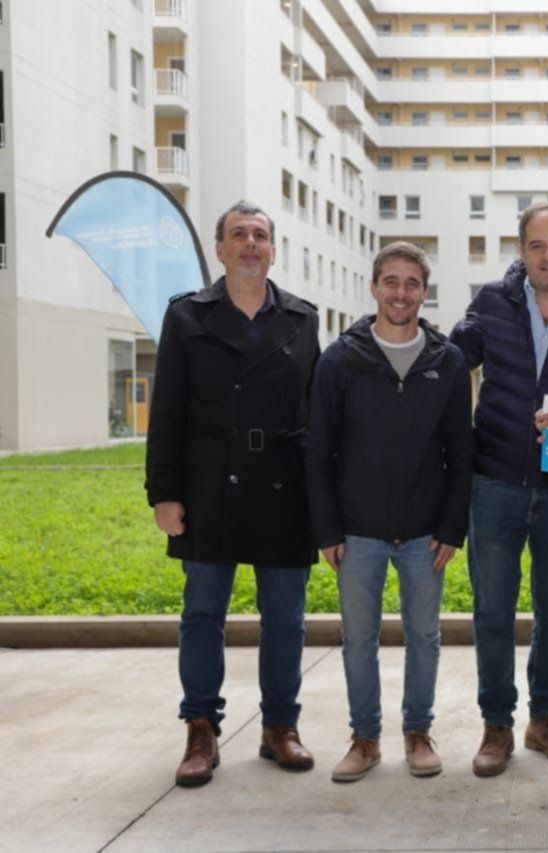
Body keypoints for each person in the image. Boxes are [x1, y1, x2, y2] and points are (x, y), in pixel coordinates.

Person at [146, 201, 320, 787]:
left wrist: (324, 499)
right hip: (208, 485)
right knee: (202, 615)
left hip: (284, 487)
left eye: (260, 235)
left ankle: (280, 727)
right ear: (220, 250)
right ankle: (201, 728)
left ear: (273, 250)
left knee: (286, 618)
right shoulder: (187, 316)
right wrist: (164, 492)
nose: (250, 244)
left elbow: (317, 415)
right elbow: (166, 411)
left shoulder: (302, 319)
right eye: (238, 235)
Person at [307, 242, 472, 783]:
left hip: (426, 533)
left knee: (424, 637)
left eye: (412, 283)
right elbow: (318, 451)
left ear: (424, 292)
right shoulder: (340, 359)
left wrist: (452, 526)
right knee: (359, 640)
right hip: (358, 531)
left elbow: (461, 452)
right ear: (375, 287)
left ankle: (418, 732)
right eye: (391, 282)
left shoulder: (447, 362)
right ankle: (365, 738)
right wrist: (327, 529)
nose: (401, 293)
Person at [449, 202, 548, 777]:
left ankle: (545, 718)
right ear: (522, 252)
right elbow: (450, 361)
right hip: (494, 481)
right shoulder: (493, 301)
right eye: (537, 245)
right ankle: (497, 724)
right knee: (492, 611)